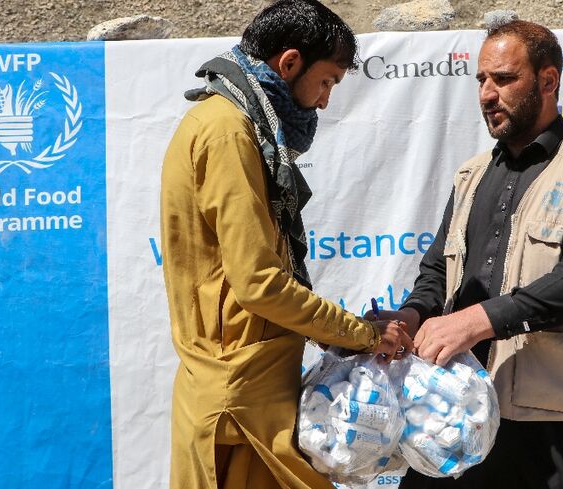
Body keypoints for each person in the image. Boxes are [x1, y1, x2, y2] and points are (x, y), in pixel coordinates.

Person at [367, 20, 563, 489]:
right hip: (454, 412)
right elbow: (438, 270)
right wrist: (410, 317)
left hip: (552, 420)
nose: (488, 94)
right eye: (481, 81)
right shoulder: (470, 175)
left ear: (548, 80)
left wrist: (476, 320)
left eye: (505, 79)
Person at [159, 1, 414, 488]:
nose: (324, 102)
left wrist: (341, 333)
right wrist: (358, 334)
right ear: (290, 62)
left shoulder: (239, 126)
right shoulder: (228, 132)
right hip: (238, 415)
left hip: (254, 402)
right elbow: (258, 283)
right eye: (327, 82)